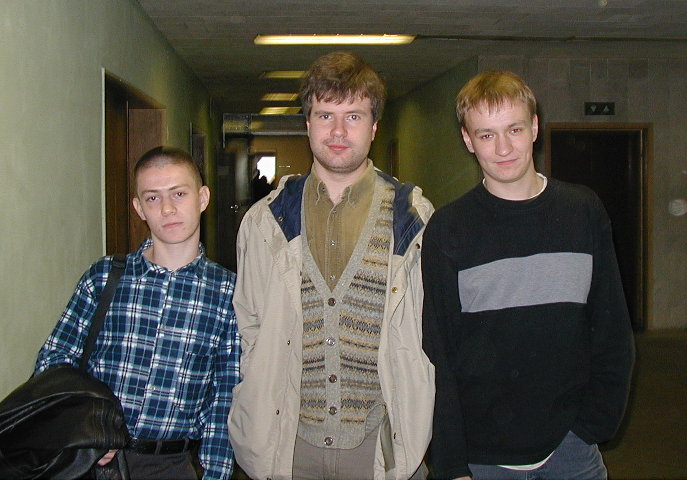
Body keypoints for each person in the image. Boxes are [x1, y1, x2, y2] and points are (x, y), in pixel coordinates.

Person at [228, 51, 435, 480]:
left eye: (354, 117)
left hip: (382, 449)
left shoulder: (414, 219)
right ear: (307, 124)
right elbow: (248, 324)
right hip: (287, 447)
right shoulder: (265, 222)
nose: (338, 131)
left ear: (374, 127)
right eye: (325, 116)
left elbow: (428, 331)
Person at [421, 70, 635, 480]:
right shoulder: (449, 229)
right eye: (486, 134)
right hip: (481, 456)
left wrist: (592, 426)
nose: (503, 148)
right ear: (468, 140)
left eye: (514, 129)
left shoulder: (582, 211)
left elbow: (611, 329)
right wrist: (450, 463)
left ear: (534, 128)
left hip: (571, 449)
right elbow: (438, 354)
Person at [35, 146, 240, 480]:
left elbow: (225, 395)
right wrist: (86, 426)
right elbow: (54, 359)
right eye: (153, 198)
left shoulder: (228, 292)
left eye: (179, 194)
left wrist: (216, 473)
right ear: (139, 208)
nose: (168, 208)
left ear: (202, 198)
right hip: (95, 459)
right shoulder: (104, 277)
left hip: (172, 464)